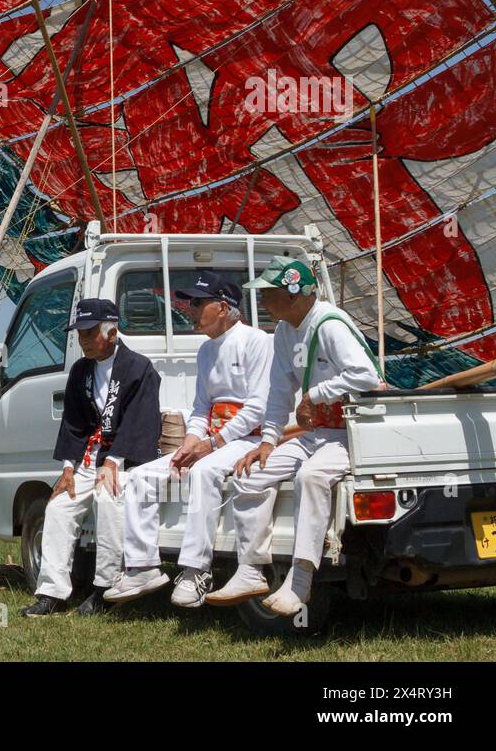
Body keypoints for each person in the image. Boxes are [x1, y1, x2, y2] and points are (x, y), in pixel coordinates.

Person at [205, 256, 382, 617]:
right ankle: (251, 569)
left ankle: (301, 579)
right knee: (250, 474)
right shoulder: (285, 331)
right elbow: (278, 393)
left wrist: (315, 395)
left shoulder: (329, 324)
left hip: (352, 431)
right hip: (316, 433)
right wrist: (268, 442)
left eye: (270, 294)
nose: (264, 302)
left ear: (294, 294)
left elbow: (365, 375)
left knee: (311, 476)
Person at [105, 272, 273, 607]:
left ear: (223, 307)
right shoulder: (206, 351)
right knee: (140, 477)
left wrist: (210, 445)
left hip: (249, 439)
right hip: (214, 438)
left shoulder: (257, 341)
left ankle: (197, 570)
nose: (189, 308)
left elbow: (259, 408)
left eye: (197, 302)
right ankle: (143, 567)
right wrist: (188, 444)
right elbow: (201, 408)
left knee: (203, 472)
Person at [21, 299, 162, 618]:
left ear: (111, 333)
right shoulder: (81, 370)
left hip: (129, 460)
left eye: (88, 333)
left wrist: (113, 463)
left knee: (107, 498)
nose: (82, 340)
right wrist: (68, 469)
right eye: (79, 333)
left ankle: (106, 589)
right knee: (58, 507)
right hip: (90, 459)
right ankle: (51, 592)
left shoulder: (139, 368)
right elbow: (73, 422)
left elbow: (140, 423)